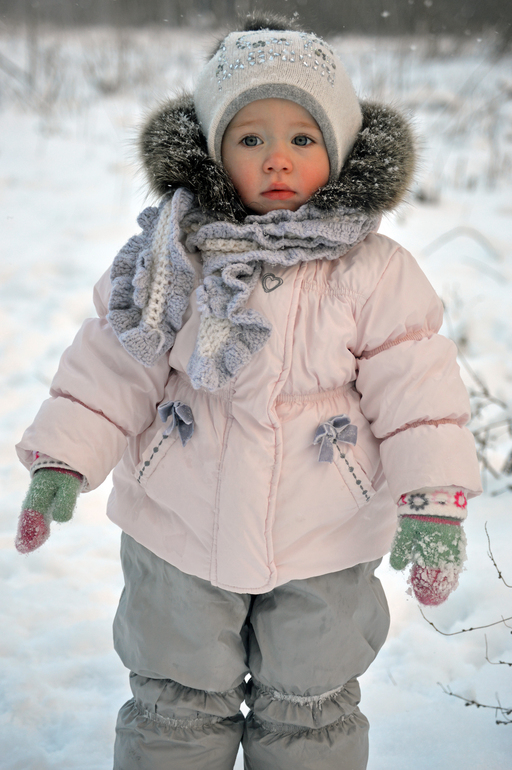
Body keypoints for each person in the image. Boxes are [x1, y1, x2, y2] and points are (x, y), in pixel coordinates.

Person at [15, 14, 482, 770]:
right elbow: (113, 361)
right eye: (250, 138)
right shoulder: (171, 256)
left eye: (302, 138)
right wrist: (63, 460)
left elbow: (417, 390)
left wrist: (433, 500)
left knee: (313, 709)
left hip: (323, 536)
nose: (276, 159)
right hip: (180, 532)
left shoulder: (374, 270)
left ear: (337, 151)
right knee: (173, 701)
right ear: (212, 149)